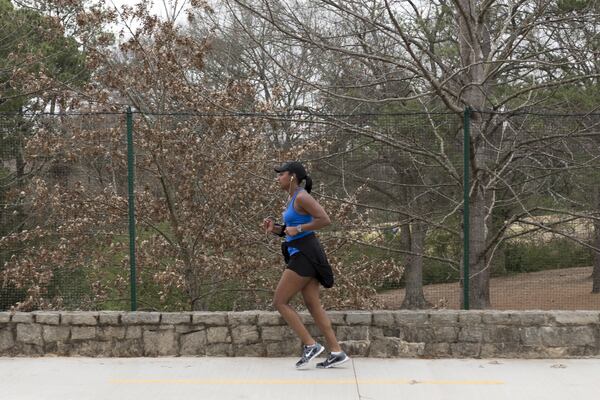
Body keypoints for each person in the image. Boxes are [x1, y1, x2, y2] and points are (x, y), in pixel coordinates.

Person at [262, 161, 350, 369]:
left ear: (292, 176)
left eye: (281, 174)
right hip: (301, 252)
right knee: (313, 305)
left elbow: (325, 220)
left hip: (305, 254)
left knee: (280, 301)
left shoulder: (302, 196)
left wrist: (299, 228)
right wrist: (275, 229)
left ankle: (311, 345)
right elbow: (290, 231)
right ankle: (337, 351)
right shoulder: (293, 198)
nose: (278, 178)